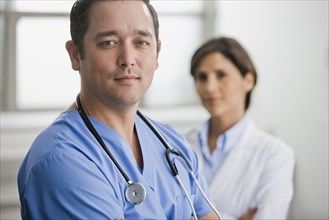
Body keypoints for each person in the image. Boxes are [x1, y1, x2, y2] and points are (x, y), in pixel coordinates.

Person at [17, 1, 220, 219]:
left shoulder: (172, 143)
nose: (128, 60)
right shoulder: (60, 159)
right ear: (76, 55)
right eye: (108, 43)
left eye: (141, 42)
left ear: (157, 53)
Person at [185, 36, 295, 220]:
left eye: (221, 75)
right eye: (202, 77)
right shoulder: (177, 146)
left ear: (248, 80)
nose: (210, 87)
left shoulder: (275, 154)